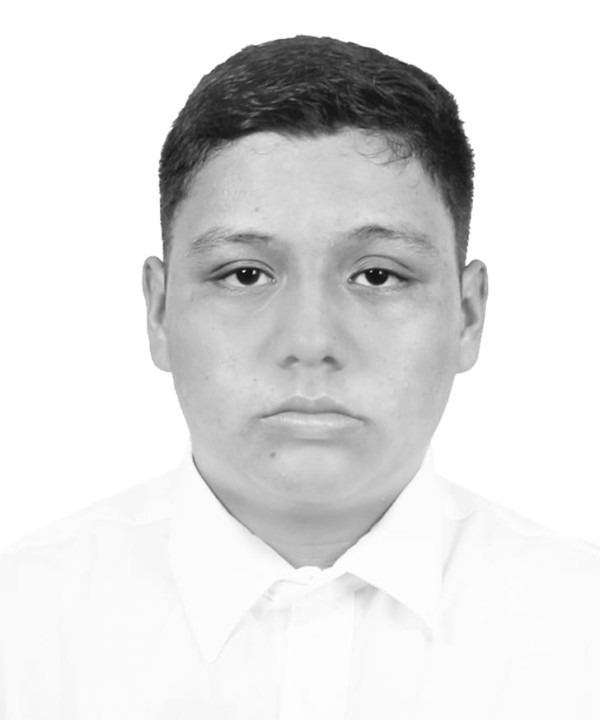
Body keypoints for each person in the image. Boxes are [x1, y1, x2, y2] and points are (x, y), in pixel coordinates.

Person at [1, 35, 599, 720]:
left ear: (467, 315)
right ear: (159, 311)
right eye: (244, 274)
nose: (310, 342)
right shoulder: (20, 631)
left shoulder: (582, 631)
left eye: (378, 276)